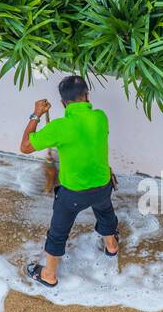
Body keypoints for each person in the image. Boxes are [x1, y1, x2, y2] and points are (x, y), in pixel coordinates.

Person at [19, 74, 119, 287]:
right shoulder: (101, 117)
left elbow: (26, 147)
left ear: (64, 102)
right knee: (105, 212)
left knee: (58, 232)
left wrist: (36, 115)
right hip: (103, 185)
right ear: (87, 96)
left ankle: (49, 275)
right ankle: (111, 246)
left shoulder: (60, 127)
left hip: (74, 193)